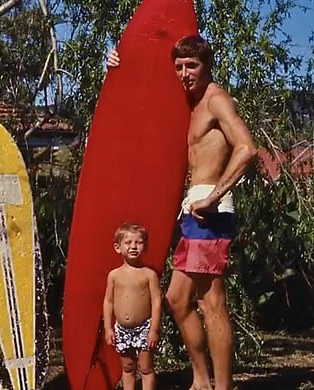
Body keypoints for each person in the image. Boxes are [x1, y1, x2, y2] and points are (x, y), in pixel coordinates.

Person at [107, 35, 257, 390]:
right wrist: (117, 65)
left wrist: (215, 195)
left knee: (211, 301)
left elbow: (247, 149)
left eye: (192, 66)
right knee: (176, 298)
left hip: (210, 211)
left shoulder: (216, 100)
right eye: (179, 67)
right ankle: (201, 381)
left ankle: (221, 387)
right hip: (193, 212)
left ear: (207, 66)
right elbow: (138, 98)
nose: (185, 73)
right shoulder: (187, 103)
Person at [102, 223, 162, 390]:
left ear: (145, 246)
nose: (133, 247)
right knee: (127, 367)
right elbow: (108, 301)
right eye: (128, 243)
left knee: (145, 368)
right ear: (117, 247)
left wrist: (154, 329)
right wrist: (108, 328)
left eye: (138, 242)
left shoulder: (149, 274)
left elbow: (157, 302)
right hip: (122, 329)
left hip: (144, 327)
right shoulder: (114, 275)